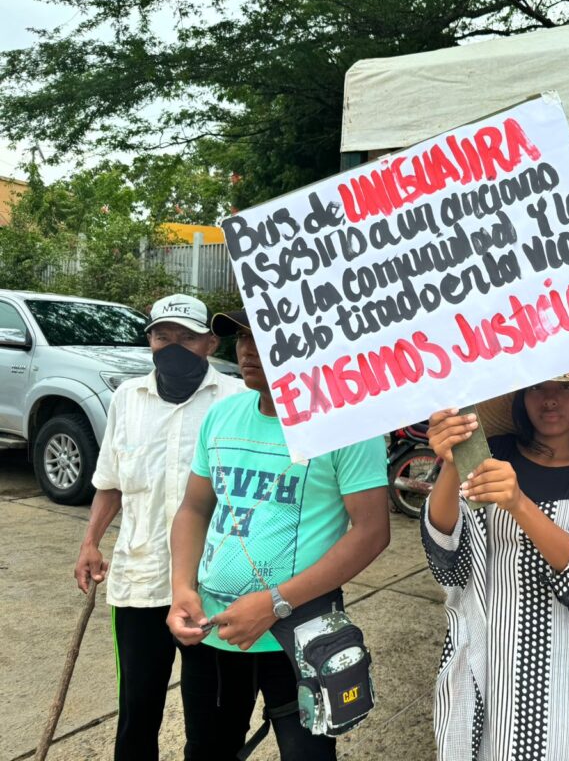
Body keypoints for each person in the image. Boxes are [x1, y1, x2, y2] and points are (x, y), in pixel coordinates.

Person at [167, 310, 390, 761]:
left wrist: (273, 603)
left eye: (264, 335)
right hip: (214, 630)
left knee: (306, 755)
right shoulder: (223, 416)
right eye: (242, 336)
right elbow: (194, 508)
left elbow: (372, 531)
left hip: (303, 635)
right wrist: (180, 589)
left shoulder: (346, 424)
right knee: (206, 750)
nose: (248, 349)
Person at [421, 372, 569, 760]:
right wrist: (450, 463)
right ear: (520, 397)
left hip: (566, 662)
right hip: (491, 649)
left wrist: (519, 503)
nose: (550, 399)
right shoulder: (490, 452)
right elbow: (446, 551)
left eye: (565, 388)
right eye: (537, 387)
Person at [72, 294, 246, 761]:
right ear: (148, 340)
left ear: (210, 343)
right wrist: (90, 541)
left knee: (212, 717)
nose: (171, 346)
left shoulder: (237, 400)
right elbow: (110, 482)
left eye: (185, 337)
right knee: (137, 710)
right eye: (161, 336)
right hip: (140, 580)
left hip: (211, 585)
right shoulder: (127, 398)